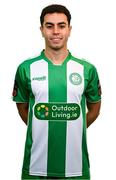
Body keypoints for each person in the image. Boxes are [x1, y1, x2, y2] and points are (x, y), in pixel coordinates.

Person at [12, 4, 101, 180]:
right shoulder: (26, 68)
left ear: (69, 29)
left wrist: (71, 126)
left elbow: (95, 109)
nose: (56, 31)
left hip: (76, 168)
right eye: (49, 26)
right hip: (35, 168)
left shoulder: (87, 69)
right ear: (41, 30)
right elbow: (24, 111)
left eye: (61, 25)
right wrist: (44, 126)